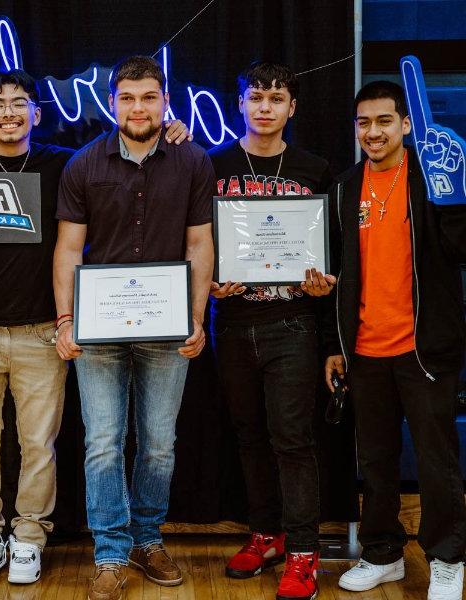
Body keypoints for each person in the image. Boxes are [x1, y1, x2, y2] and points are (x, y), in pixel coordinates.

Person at [0, 68, 190, 587]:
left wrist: (173, 128)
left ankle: (29, 537)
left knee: (38, 444)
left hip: (42, 330)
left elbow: (130, 148)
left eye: (19, 103)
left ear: (37, 114)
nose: (8, 112)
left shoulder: (61, 165)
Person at [53, 55, 214, 600]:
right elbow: (68, 247)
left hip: (167, 330)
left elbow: (199, 243)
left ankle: (148, 538)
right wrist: (65, 318)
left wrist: (197, 317)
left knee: (160, 444)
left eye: (148, 97)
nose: (138, 107)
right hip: (99, 331)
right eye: (128, 97)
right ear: (113, 101)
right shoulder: (83, 164)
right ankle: (110, 553)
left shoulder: (192, 160)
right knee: (102, 442)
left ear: (164, 100)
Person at [325, 80, 466, 600]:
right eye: (363, 122)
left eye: (384, 121)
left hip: (423, 350)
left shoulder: (433, 179)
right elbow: (337, 275)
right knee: (376, 461)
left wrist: (456, 194)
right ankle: (383, 554)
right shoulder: (344, 188)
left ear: (406, 125)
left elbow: (459, 250)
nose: (373, 132)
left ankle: (448, 557)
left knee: (436, 461)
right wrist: (335, 343)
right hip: (364, 350)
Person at [208, 62, 335, 600]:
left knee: (292, 439)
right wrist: (207, 282)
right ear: (240, 103)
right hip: (232, 323)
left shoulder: (315, 168)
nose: (265, 107)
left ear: (292, 108)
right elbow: (197, 240)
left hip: (294, 324)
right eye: (255, 97)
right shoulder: (211, 165)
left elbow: (333, 248)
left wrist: (325, 281)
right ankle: (266, 535)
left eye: (276, 99)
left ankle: (304, 554)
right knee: (249, 436)